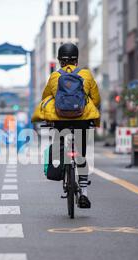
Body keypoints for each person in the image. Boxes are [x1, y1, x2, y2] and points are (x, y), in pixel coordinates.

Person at [40, 43, 101, 209]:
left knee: (60, 146)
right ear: (76, 59)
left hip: (61, 120)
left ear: (60, 60)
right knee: (81, 155)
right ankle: (84, 193)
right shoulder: (86, 75)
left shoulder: (54, 76)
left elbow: (46, 98)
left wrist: (48, 120)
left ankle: (62, 165)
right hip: (81, 120)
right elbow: (95, 99)